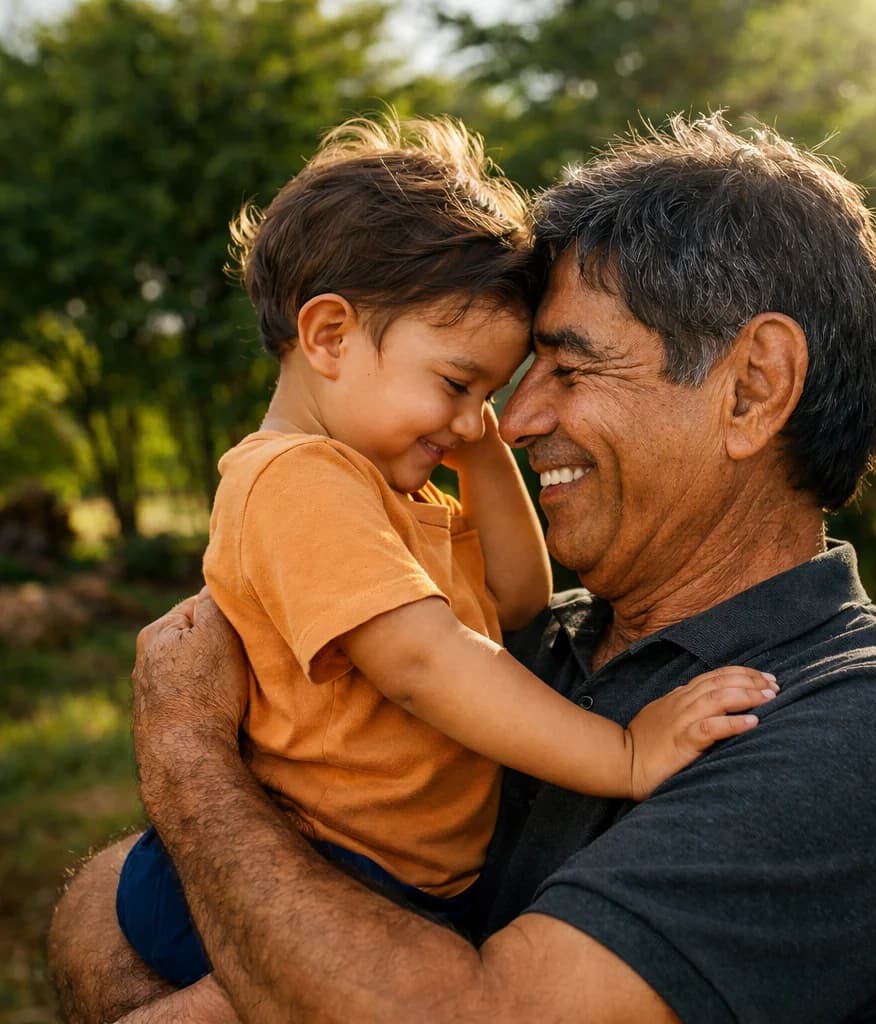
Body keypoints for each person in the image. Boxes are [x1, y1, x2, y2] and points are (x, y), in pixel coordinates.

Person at [49, 113, 876, 1024]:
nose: (512, 420)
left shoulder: (864, 723)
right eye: (485, 383)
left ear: (752, 387)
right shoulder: (535, 647)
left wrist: (184, 753)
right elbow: (111, 904)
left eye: (567, 371)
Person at [111, 114, 776, 991]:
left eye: (487, 396)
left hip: (383, 877)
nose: (475, 416)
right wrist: (623, 754)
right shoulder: (297, 483)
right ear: (330, 337)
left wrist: (481, 451)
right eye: (458, 384)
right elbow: (425, 664)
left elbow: (517, 600)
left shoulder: (397, 490)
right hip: (308, 863)